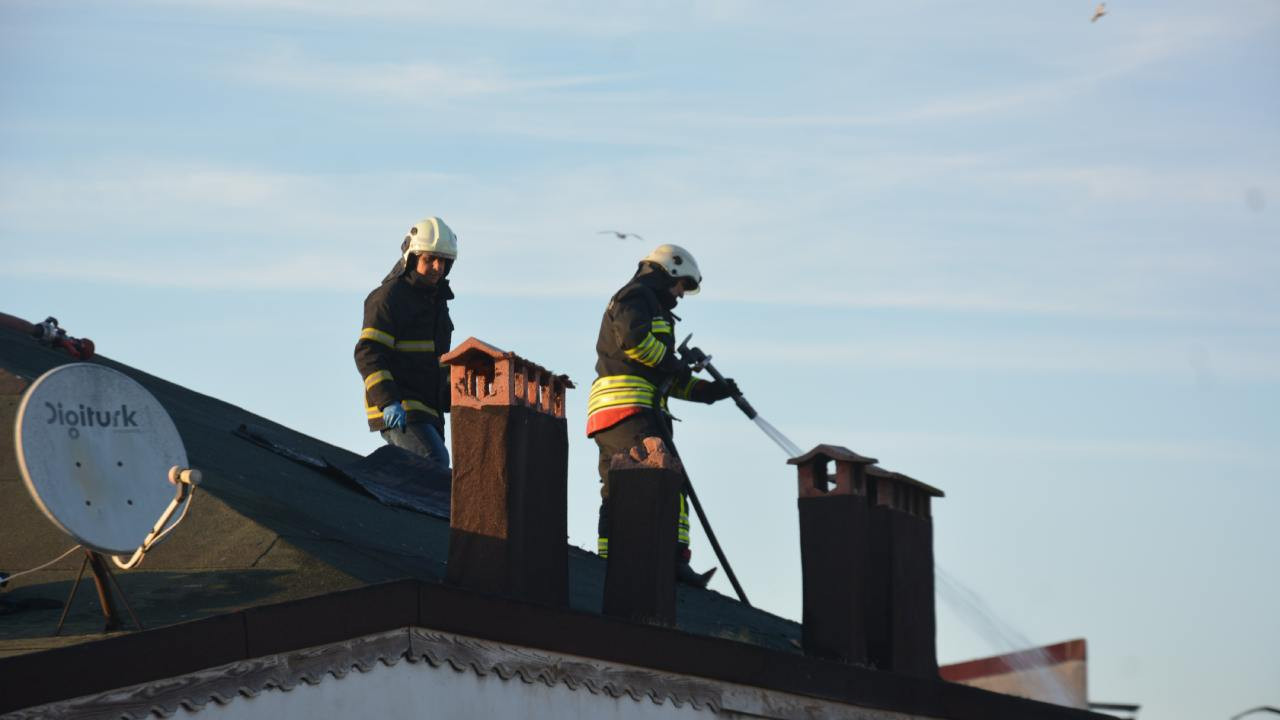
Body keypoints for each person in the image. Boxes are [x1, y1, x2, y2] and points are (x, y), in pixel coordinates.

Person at [586, 244, 738, 587]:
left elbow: (663, 377)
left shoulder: (643, 301)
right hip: (632, 409)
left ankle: (609, 559)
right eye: (682, 285)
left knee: (617, 487)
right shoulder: (637, 295)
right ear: (669, 270)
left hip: (614, 411)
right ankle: (674, 560)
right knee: (667, 479)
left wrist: (710, 392)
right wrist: (677, 364)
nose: (681, 295)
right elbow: (635, 343)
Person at [354, 216, 457, 469]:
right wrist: (388, 400)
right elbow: (368, 352)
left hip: (427, 411)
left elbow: (435, 363)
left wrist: (456, 396)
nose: (437, 266)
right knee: (432, 464)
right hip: (401, 406)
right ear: (412, 258)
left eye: (443, 260)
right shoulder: (389, 298)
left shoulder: (436, 304)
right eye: (429, 259)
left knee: (432, 473)